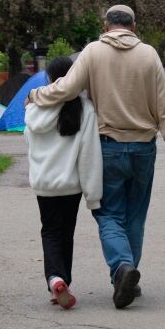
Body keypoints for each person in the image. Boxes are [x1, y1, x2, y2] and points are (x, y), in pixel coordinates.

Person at [27, 4, 165, 309]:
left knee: (109, 213)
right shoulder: (149, 54)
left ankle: (122, 268)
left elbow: (66, 90)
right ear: (134, 27)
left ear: (105, 26)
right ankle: (126, 274)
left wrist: (36, 95)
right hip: (143, 147)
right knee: (135, 215)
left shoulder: (92, 51)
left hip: (109, 146)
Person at [24, 56, 103, 310]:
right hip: (71, 185)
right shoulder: (85, 108)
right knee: (65, 232)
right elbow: (90, 153)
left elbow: (30, 145)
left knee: (49, 230)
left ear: (48, 79)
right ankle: (61, 279)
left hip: (44, 183)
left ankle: (55, 279)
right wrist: (93, 194)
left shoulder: (34, 108)